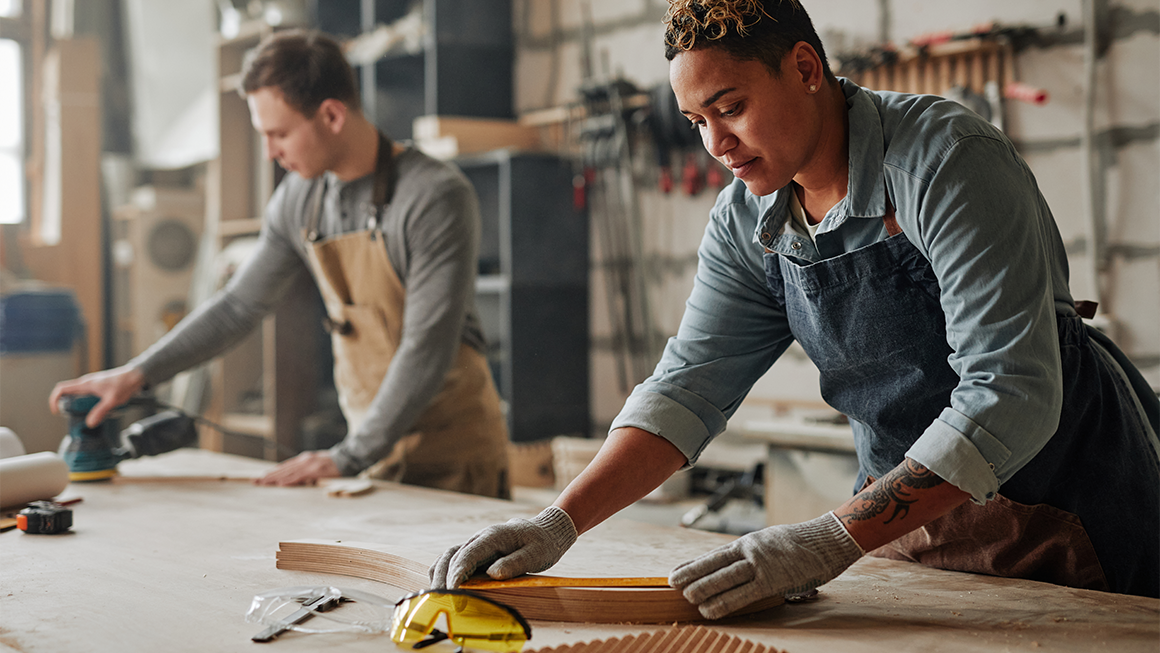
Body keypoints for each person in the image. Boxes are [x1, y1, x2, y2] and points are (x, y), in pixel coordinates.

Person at [429, 0, 1160, 617]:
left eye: (732, 107)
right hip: (905, 533)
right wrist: (562, 519)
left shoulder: (946, 162)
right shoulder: (749, 220)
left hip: (1067, 518)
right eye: (694, 121)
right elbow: (688, 387)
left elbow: (1010, 393)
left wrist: (830, 538)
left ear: (807, 70)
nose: (717, 143)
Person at [49, 29, 511, 498]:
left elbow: (425, 346)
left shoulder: (433, 196)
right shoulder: (301, 197)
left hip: (454, 459)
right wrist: (136, 375)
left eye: (280, 134)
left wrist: (348, 455)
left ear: (331, 115)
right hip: (369, 456)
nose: (270, 152)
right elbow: (236, 308)